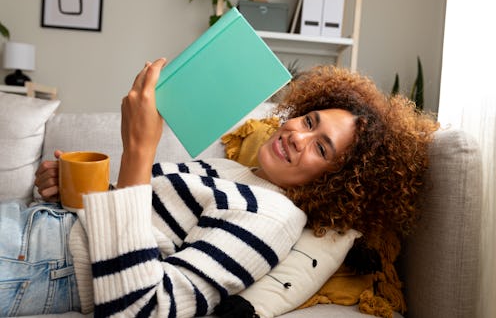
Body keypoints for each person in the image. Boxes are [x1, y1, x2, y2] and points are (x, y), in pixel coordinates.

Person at [0, 58, 438, 317]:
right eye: (308, 121)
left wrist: (138, 149)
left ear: (337, 186)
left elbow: (143, 309)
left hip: (43, 258)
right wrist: (80, 196)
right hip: (37, 230)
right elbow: (148, 225)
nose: (297, 137)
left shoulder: (275, 218)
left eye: (321, 149)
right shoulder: (234, 172)